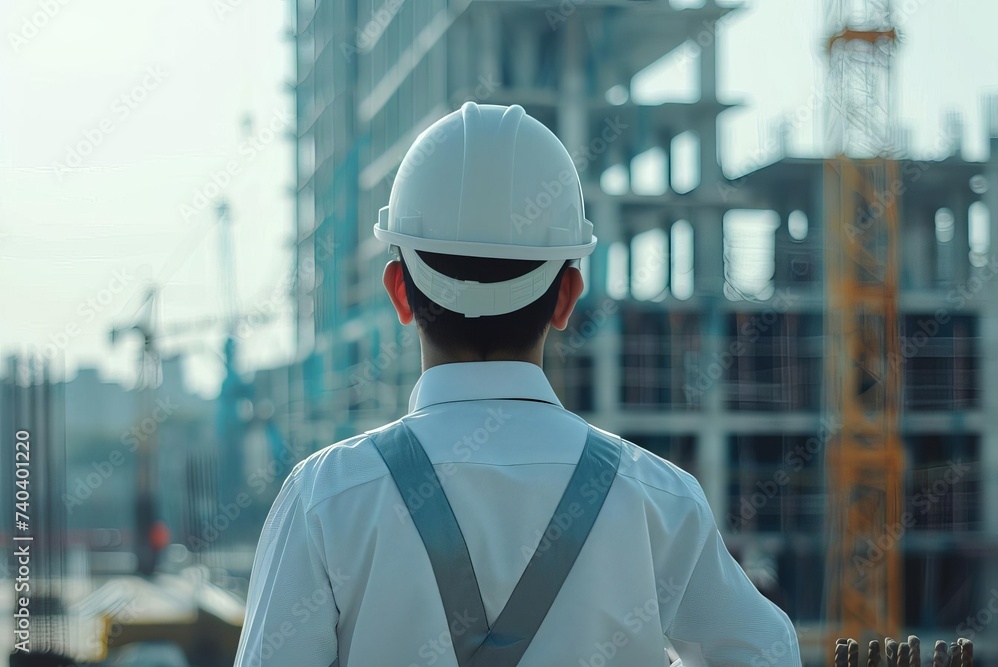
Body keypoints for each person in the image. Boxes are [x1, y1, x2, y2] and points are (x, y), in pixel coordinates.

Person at [235, 102, 801, 666]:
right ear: (567, 297)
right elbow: (765, 652)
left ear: (400, 293)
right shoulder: (658, 501)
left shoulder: (328, 497)